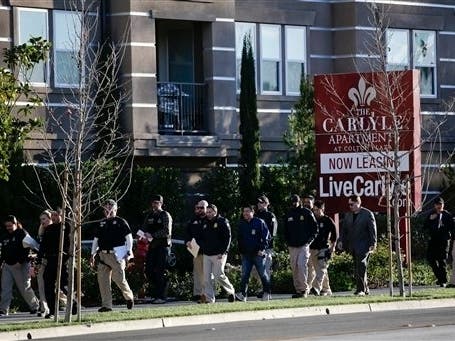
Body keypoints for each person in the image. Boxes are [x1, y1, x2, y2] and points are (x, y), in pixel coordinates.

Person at [90, 199, 134, 312]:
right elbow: (96, 240)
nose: (108, 209)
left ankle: (129, 297)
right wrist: (93, 254)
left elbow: (128, 237)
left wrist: (128, 251)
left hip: (117, 254)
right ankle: (107, 306)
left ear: (115, 209)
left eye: (110, 207)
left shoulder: (121, 222)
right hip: (103, 254)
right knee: (103, 281)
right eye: (106, 207)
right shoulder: (101, 223)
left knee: (119, 278)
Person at [37, 208, 75, 318]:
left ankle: (73, 303)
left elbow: (72, 243)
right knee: (48, 285)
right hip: (50, 260)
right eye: (52, 215)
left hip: (63, 259)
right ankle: (52, 311)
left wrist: (67, 257)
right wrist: (39, 258)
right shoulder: (49, 229)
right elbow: (43, 246)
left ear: (61, 215)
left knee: (64, 285)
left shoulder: (66, 226)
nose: (54, 217)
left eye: (56, 215)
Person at [0, 215, 40, 316]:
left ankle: (35, 306)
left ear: (15, 224)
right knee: (5, 288)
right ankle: (3, 309)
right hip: (8, 266)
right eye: (7, 226)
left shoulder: (22, 233)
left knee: (25, 288)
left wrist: (20, 261)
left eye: (10, 225)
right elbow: (3, 251)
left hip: (20, 265)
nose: (8, 228)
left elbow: (29, 248)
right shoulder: (5, 235)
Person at [339, 195, 377, 296]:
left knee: (361, 266)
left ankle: (360, 290)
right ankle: (365, 288)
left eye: (352, 204)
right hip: (353, 245)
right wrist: (341, 241)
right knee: (357, 268)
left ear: (358, 203)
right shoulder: (348, 215)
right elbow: (344, 230)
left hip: (364, 245)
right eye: (349, 204)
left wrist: (373, 243)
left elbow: (372, 230)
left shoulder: (367, 214)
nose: (350, 206)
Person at [199, 204, 235, 303]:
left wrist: (223, 252)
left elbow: (228, 238)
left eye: (210, 212)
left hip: (219, 254)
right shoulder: (204, 222)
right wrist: (203, 246)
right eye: (207, 212)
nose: (208, 214)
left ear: (215, 212)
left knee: (218, 274)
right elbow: (201, 237)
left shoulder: (222, 221)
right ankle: (210, 299)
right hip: (207, 254)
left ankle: (230, 291)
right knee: (206, 278)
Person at [284, 194, 318, 298]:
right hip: (292, 246)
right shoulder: (288, 214)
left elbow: (315, 229)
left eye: (296, 201)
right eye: (293, 201)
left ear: (300, 202)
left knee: (302, 266)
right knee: (295, 267)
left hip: (303, 246)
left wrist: (309, 241)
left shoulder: (307, 213)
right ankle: (298, 290)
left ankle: (304, 290)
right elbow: (284, 231)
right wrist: (287, 242)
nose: (294, 203)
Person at [236, 205, 271, 302]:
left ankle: (267, 292)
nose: (245, 213)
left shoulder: (259, 222)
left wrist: (262, 249)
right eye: (244, 211)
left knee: (262, 274)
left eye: (247, 211)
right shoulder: (241, 224)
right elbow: (239, 239)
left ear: (253, 212)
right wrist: (240, 251)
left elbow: (267, 237)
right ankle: (243, 294)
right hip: (246, 254)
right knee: (245, 275)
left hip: (258, 254)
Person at [143, 194, 172, 304]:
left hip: (163, 246)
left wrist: (153, 235)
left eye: (157, 202)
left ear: (161, 203)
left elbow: (166, 231)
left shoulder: (165, 215)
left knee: (160, 271)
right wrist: (141, 235)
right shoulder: (149, 215)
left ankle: (161, 296)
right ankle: (159, 290)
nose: (154, 205)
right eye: (153, 202)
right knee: (149, 271)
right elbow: (144, 228)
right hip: (152, 247)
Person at [307, 200, 338, 296]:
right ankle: (326, 289)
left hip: (324, 248)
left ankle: (316, 287)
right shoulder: (312, 220)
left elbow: (335, 235)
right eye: (314, 210)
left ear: (322, 209)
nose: (315, 212)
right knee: (317, 270)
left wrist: (333, 247)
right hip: (312, 248)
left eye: (317, 210)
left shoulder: (327, 220)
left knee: (321, 268)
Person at [424, 197, 454, 287]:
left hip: (443, 241)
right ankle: (440, 278)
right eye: (437, 204)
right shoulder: (431, 214)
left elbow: (452, 228)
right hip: (433, 240)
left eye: (440, 204)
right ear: (435, 205)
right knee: (430, 258)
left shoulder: (447, 215)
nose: (439, 206)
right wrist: (430, 219)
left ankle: (443, 281)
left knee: (442, 261)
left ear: (443, 205)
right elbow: (424, 226)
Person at [252, 195, 277, 298]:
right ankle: (262, 289)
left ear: (267, 204)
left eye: (261, 202)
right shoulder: (255, 215)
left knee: (265, 269)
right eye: (258, 202)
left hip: (266, 248)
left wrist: (266, 245)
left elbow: (273, 233)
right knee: (255, 270)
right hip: (255, 247)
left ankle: (267, 292)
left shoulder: (270, 216)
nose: (259, 204)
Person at [185, 200, 208, 301]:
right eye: (198, 208)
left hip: (208, 251)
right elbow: (187, 234)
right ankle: (198, 294)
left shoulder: (210, 220)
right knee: (198, 273)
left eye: (202, 208)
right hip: (196, 251)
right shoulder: (192, 220)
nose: (199, 210)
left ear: (207, 208)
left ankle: (207, 294)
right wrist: (187, 242)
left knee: (207, 274)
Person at [36, 210, 52, 317]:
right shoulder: (42, 231)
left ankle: (72, 302)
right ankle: (44, 308)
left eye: (44, 219)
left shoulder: (55, 230)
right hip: (43, 261)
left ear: (50, 218)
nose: (42, 221)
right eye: (41, 219)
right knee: (41, 285)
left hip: (53, 261)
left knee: (53, 286)